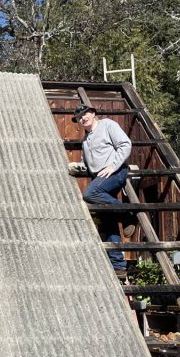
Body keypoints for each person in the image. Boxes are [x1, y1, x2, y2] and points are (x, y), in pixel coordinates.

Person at [72, 104, 133, 275]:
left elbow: (125, 144)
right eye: (79, 117)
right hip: (100, 179)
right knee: (108, 222)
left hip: (115, 173)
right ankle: (119, 266)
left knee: (89, 194)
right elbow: (87, 164)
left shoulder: (108, 125)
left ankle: (127, 214)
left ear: (93, 114)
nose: (82, 119)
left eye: (85, 115)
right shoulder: (86, 140)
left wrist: (113, 166)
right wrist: (77, 167)